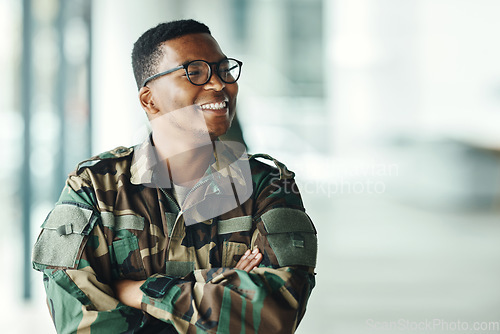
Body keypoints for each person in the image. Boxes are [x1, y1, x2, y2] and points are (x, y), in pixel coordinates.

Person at [32, 19, 317, 333]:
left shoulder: (269, 185)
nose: (220, 85)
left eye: (224, 70)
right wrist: (218, 292)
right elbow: (80, 321)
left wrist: (140, 291)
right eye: (195, 72)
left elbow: (275, 313)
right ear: (149, 100)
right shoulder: (95, 188)